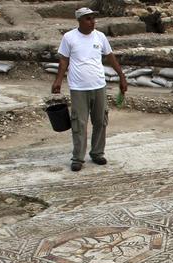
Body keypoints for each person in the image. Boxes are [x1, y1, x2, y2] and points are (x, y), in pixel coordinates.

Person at [51, 8, 128, 171]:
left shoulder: (100, 37)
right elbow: (64, 60)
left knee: (100, 121)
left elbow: (110, 57)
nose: (92, 22)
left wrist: (122, 76)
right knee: (79, 123)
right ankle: (78, 157)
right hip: (78, 88)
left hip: (99, 85)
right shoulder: (69, 37)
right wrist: (58, 80)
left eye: (93, 18)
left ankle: (97, 153)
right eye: (88, 19)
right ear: (79, 20)